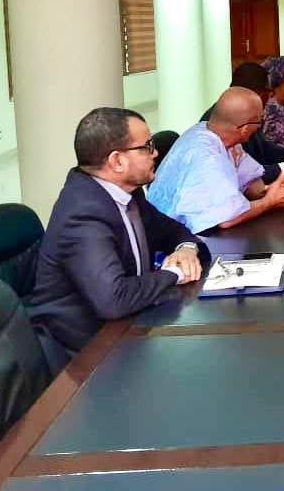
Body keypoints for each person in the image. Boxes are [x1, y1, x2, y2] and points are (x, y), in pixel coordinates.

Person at [24, 108, 211, 374]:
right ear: (117, 161)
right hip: (87, 358)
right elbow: (114, 299)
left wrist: (186, 250)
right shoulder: (82, 213)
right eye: (147, 147)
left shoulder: (128, 193)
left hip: (135, 329)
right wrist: (176, 273)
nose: (155, 153)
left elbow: (173, 231)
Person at [149, 87, 284, 234]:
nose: (260, 126)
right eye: (260, 121)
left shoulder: (219, 134)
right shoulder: (206, 156)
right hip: (176, 240)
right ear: (245, 128)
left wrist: (272, 190)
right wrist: (269, 201)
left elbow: (251, 184)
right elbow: (227, 219)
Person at [203, 62, 284, 183]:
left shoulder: (246, 112)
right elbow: (245, 176)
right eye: (269, 93)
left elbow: (264, 149)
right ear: (258, 94)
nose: (270, 98)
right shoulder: (222, 120)